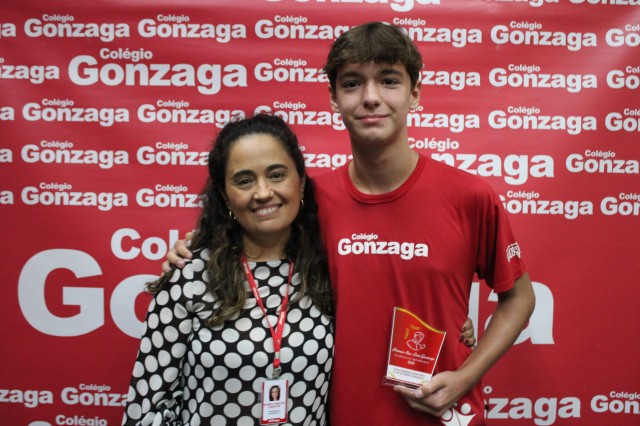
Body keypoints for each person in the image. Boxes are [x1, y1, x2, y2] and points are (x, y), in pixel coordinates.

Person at [166, 22, 529, 425]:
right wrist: (192, 249)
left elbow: (519, 298)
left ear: (415, 93)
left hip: (443, 415)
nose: (371, 98)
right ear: (334, 98)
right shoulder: (308, 202)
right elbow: (249, 245)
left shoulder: (469, 196)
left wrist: (465, 376)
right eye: (353, 83)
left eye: (388, 80)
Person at [122, 114, 335, 425]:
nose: (263, 192)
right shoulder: (189, 274)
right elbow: (148, 407)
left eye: (276, 175)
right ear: (224, 194)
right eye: (244, 181)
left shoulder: (329, 271)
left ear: (300, 181)